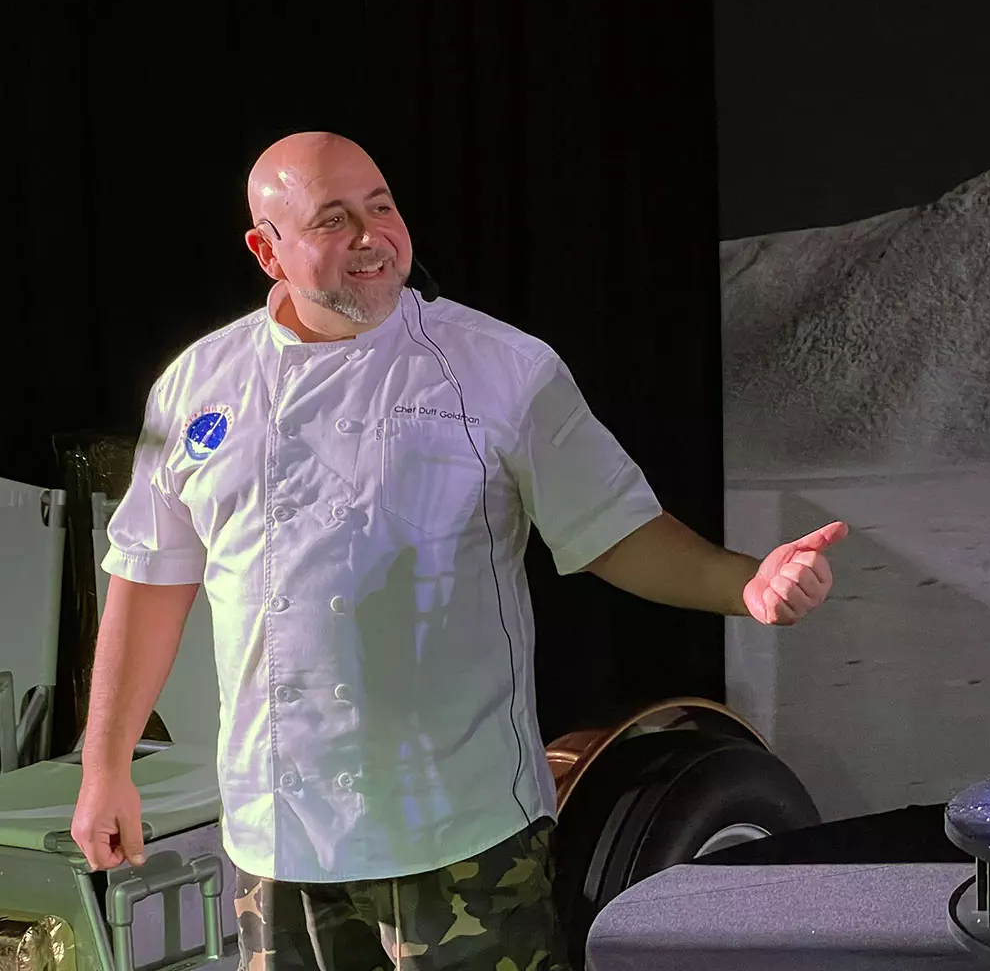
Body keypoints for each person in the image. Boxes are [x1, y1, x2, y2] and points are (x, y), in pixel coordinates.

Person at [70, 131, 846, 971]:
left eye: (382, 207)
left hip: (457, 831)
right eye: (333, 219)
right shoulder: (197, 386)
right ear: (268, 249)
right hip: (277, 837)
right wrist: (104, 766)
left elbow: (619, 532)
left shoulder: (500, 369)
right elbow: (147, 581)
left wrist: (746, 584)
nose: (373, 236)